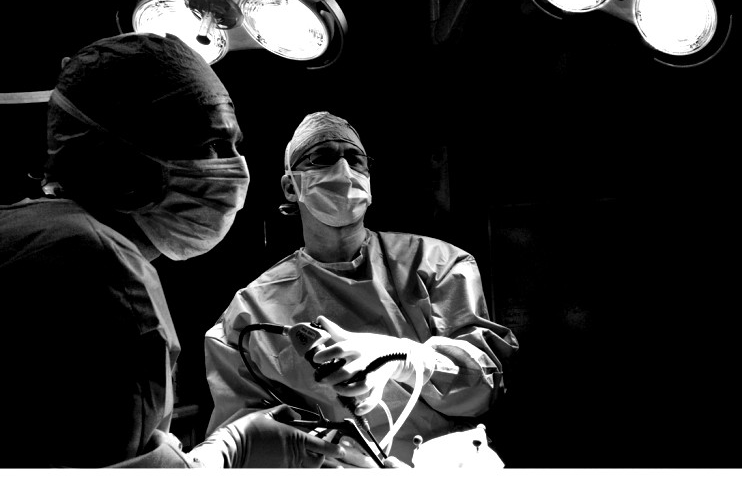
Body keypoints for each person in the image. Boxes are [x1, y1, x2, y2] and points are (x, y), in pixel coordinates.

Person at [0, 33, 347, 468]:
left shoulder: (28, 228)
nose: (236, 168)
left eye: (235, 146)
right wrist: (231, 453)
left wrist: (213, 456)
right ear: (121, 157)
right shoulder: (102, 270)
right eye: (211, 147)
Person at [204, 112, 519, 466]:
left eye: (355, 159)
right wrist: (323, 460)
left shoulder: (438, 264)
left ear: (368, 179)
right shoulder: (249, 314)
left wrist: (408, 360)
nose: (343, 169)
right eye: (322, 158)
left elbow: (486, 387)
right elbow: (244, 444)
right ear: (291, 187)